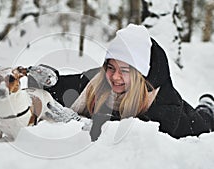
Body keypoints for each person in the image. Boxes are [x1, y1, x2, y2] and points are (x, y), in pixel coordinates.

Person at [28, 24, 214, 141]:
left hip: (191, 120)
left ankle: (208, 105)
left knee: (205, 118)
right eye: (111, 68)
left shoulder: (163, 107)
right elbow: (63, 89)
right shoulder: (98, 82)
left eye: (125, 71)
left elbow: (132, 135)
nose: (115, 77)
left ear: (140, 74)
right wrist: (49, 81)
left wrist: (76, 122)